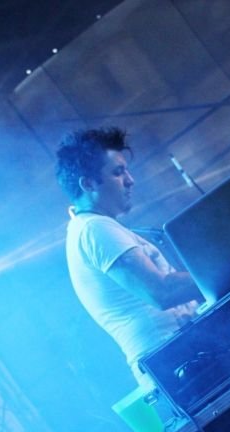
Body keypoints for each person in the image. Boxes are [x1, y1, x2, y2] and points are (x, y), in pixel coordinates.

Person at [55, 126, 201, 387]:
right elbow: (162, 291)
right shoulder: (94, 229)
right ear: (88, 184)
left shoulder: (93, 228)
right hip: (174, 363)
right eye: (118, 172)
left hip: (179, 356)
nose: (130, 180)